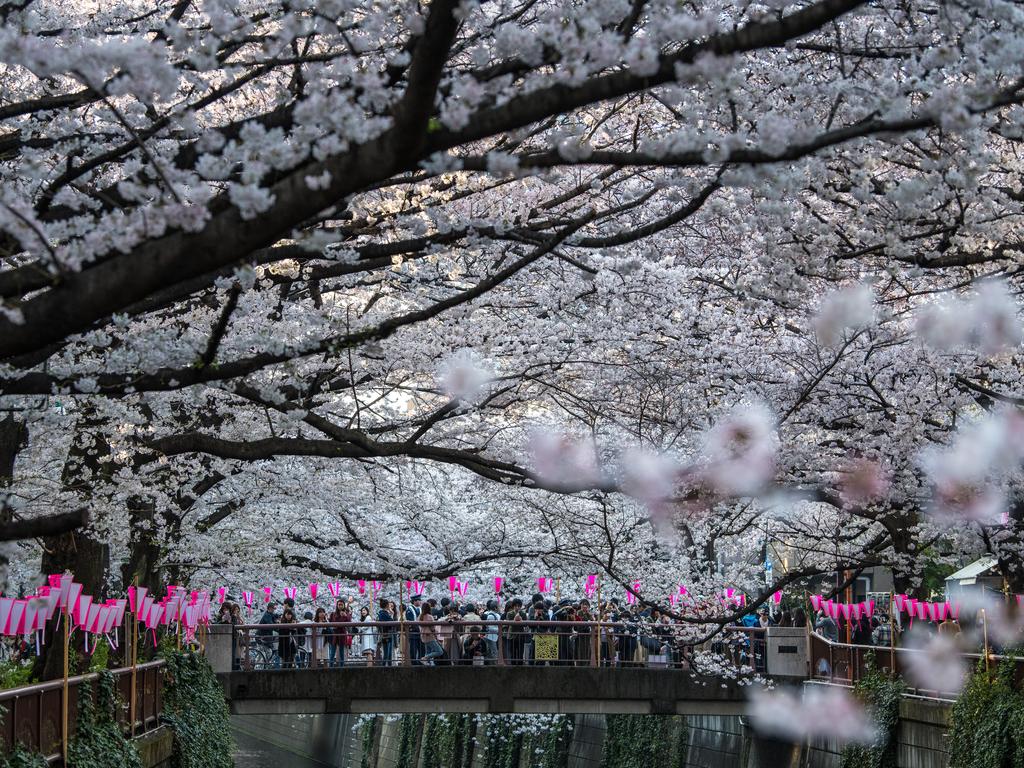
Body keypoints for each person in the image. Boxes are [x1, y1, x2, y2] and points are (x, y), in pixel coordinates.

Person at [328, 598, 352, 668]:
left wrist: (345, 616)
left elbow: (349, 622)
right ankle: (331, 666)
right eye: (339, 605)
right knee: (332, 651)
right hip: (335, 634)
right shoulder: (333, 614)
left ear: (344, 605)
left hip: (342, 633)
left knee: (341, 651)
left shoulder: (346, 614)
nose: (340, 606)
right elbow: (331, 622)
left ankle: (341, 666)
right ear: (337, 605)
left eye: (341, 605)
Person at [257, 601, 279, 667]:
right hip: (262, 637)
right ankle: (262, 666)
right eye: (273, 609)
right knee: (267, 652)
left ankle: (262, 666)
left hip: (266, 637)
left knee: (265, 653)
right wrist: (279, 628)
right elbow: (271, 625)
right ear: (269, 608)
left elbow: (275, 617)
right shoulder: (267, 615)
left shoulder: (270, 614)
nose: (273, 610)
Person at [406, 594, 423, 665]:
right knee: (413, 648)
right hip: (413, 632)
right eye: (419, 600)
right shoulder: (409, 610)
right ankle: (414, 663)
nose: (420, 602)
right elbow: (411, 622)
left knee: (421, 648)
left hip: (420, 632)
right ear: (414, 601)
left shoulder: (419, 609)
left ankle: (420, 661)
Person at [376, 597, 395, 666]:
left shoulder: (383, 613)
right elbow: (392, 622)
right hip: (386, 634)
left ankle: (387, 666)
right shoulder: (383, 614)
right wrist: (392, 614)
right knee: (387, 653)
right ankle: (384, 667)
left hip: (386, 634)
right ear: (387, 605)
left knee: (388, 653)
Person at [482, 599, 501, 664]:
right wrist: (499, 630)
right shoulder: (490, 616)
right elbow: (490, 627)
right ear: (495, 608)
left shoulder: (496, 615)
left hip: (495, 636)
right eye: (498, 606)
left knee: (492, 651)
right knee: (493, 651)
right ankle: (494, 665)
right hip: (491, 636)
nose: (499, 608)